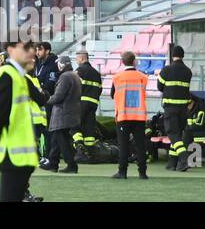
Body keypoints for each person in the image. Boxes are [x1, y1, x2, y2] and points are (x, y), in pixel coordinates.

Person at [0, 40, 40, 202]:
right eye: (26, 47)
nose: (31, 51)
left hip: (20, 158)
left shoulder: (18, 76)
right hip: (14, 158)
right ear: (11, 50)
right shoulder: (8, 76)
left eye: (32, 48)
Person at [111, 50, 150, 180]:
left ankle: (122, 172)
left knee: (123, 145)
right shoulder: (143, 77)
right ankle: (142, 173)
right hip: (139, 117)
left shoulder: (117, 78)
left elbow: (112, 94)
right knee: (140, 145)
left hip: (123, 116)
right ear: (134, 61)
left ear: (122, 62)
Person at [43, 55, 82, 173]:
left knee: (62, 141)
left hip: (62, 113)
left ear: (62, 64)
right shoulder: (74, 75)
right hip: (71, 112)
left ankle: (71, 164)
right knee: (57, 139)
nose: (57, 66)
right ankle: (53, 163)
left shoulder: (65, 77)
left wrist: (46, 99)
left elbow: (58, 96)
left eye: (59, 63)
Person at [157, 44, 192, 170]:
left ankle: (183, 159)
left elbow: (159, 87)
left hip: (170, 108)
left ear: (172, 56)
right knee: (177, 135)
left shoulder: (166, 70)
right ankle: (172, 163)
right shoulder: (188, 71)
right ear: (183, 56)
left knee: (173, 134)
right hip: (183, 108)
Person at [74, 49, 103, 153]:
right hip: (93, 104)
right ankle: (90, 151)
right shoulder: (96, 72)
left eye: (77, 58)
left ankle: (79, 145)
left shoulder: (80, 70)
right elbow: (100, 89)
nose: (76, 61)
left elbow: (73, 86)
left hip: (81, 102)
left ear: (82, 58)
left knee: (74, 125)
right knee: (88, 127)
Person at [180, 92, 205, 170]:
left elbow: (201, 124)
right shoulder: (190, 109)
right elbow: (187, 124)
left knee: (188, 135)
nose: (187, 106)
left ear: (193, 101)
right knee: (185, 134)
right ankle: (188, 161)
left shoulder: (202, 108)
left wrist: (187, 129)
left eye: (188, 103)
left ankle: (190, 161)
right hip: (197, 130)